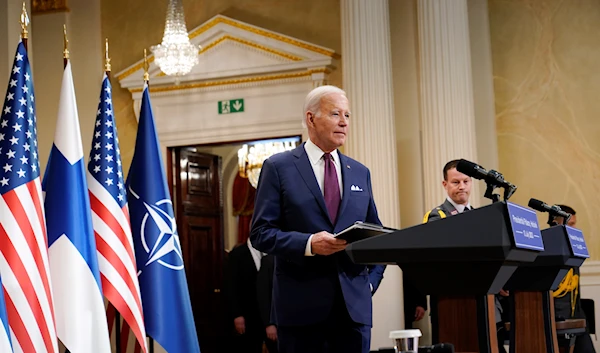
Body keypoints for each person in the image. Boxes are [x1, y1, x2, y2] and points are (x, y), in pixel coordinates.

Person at [250, 85, 386, 353]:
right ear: (311, 118)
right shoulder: (279, 168)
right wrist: (309, 244)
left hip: (354, 313)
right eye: (335, 114)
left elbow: (375, 236)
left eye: (347, 115)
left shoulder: (360, 172)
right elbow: (261, 232)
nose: (344, 122)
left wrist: (370, 283)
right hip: (301, 313)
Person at [423, 159, 509, 352]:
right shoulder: (438, 216)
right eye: (455, 182)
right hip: (454, 305)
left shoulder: (480, 217)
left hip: (487, 303)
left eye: (466, 181)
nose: (462, 186)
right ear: (445, 185)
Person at [552, 205, 596, 353]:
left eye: (575, 224)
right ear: (556, 223)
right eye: (571, 224)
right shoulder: (547, 250)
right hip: (556, 318)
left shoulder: (574, 249)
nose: (575, 228)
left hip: (576, 317)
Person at [226, 238, 278, 353]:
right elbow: (231, 286)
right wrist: (237, 314)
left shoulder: (272, 252)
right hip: (247, 315)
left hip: (268, 317)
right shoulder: (238, 253)